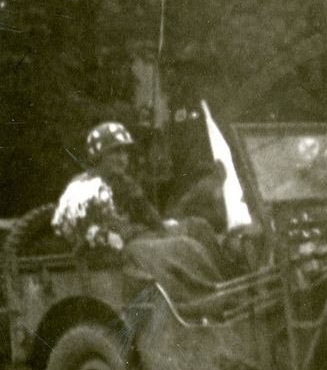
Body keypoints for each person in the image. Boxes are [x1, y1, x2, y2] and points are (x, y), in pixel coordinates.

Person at [52, 121, 228, 303]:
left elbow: (146, 212)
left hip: (136, 238)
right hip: (117, 253)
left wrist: (163, 227)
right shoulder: (82, 188)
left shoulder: (122, 181)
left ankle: (230, 282)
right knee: (184, 247)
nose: (123, 158)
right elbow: (81, 234)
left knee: (197, 227)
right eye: (115, 152)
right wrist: (113, 236)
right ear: (98, 156)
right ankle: (211, 298)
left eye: (125, 152)